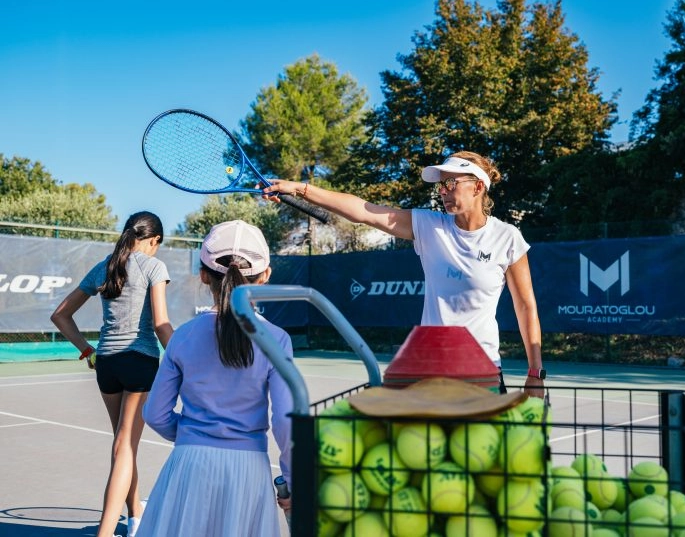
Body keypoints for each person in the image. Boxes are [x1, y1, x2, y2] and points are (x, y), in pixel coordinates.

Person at [263, 151, 545, 396]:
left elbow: (525, 306)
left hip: (483, 372)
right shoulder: (428, 225)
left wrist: (535, 373)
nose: (442, 191)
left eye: (450, 183)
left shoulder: (507, 237)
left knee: (485, 458)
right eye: (440, 185)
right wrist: (299, 189)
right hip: (431, 373)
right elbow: (363, 211)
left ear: (478, 186)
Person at [137, 220, 293, 536]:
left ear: (204, 275)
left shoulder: (181, 337)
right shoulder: (276, 338)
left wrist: (193, 434)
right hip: (248, 471)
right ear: (265, 277)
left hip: (188, 465)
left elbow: (155, 414)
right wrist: (293, 480)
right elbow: (286, 422)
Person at [50, 211, 173, 537]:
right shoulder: (153, 266)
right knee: (124, 447)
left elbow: (60, 315)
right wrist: (187, 358)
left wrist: (87, 350)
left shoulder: (107, 265)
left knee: (123, 447)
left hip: (106, 366)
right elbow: (161, 325)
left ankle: (135, 516)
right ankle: (105, 533)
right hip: (139, 363)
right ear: (154, 240)